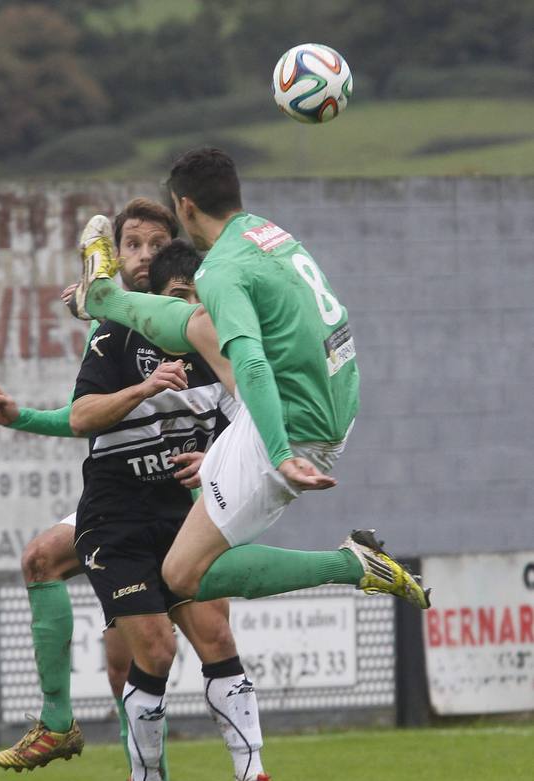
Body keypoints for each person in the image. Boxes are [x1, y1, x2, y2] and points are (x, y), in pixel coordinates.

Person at [67, 147, 431, 613]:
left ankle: (352, 565)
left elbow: (253, 366)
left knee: (181, 574)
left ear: (185, 207)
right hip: (327, 398)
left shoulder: (220, 271)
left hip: (292, 428)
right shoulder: (266, 233)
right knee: (200, 323)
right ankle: (103, 300)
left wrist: (279, 453)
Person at [70, 237, 295, 781]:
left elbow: (244, 427)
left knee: (219, 637)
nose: (188, 316)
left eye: (198, 305)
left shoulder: (216, 352)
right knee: (158, 650)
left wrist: (217, 460)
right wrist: (143, 389)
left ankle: (252, 778)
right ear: (155, 301)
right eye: (176, 302)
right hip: (115, 522)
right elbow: (83, 416)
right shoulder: (117, 337)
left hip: (178, 519)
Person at [0, 200, 178, 781]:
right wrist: (21, 417)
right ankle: (62, 724)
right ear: (115, 256)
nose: (144, 256)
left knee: (160, 659)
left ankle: (346, 565)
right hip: (119, 499)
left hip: (177, 504)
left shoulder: (186, 313)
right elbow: (84, 418)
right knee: (42, 561)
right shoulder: (107, 320)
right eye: (132, 246)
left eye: (155, 244)